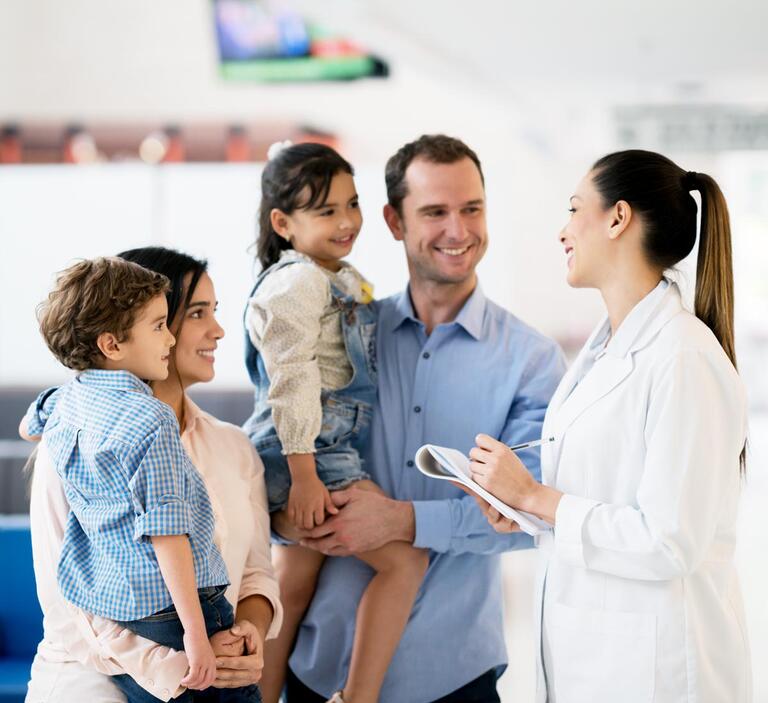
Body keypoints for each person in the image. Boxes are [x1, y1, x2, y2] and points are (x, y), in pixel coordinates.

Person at [271, 134, 566, 702]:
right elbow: (281, 459)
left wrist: (404, 522)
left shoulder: (531, 361)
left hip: (454, 676)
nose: (458, 230)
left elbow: (532, 516)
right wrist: (288, 518)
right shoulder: (339, 336)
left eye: (472, 209)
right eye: (435, 212)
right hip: (319, 670)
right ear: (394, 221)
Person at [469, 150, 751, 702]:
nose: (563, 231)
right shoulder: (606, 351)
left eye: (575, 210)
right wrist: (529, 513)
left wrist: (536, 496)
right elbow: (603, 494)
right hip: (595, 661)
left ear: (619, 218)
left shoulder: (683, 357)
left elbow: (669, 540)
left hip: (658, 673)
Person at [24, 248, 282, 703]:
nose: (218, 330)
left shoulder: (235, 447)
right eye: (196, 313)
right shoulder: (72, 441)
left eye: (215, 311)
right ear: (116, 339)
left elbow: (258, 573)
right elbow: (72, 605)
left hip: (206, 661)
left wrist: (246, 635)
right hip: (92, 682)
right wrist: (183, 662)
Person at [242, 142, 429, 703]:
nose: (347, 221)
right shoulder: (298, 281)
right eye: (327, 211)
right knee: (406, 561)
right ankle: (358, 697)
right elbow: (292, 378)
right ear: (283, 223)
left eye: (352, 204)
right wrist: (304, 477)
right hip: (311, 455)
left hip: (311, 452)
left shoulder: (336, 276)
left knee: (292, 584)